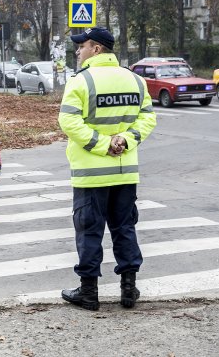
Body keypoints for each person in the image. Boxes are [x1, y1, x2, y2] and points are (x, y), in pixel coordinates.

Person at [58, 27, 157, 311]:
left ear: (97, 49)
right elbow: (148, 118)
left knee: (89, 230)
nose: (78, 52)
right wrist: (124, 141)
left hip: (91, 174)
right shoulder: (136, 80)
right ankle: (129, 289)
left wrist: (102, 145)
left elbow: (69, 122)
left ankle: (88, 292)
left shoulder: (81, 82)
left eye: (82, 46)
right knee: (125, 227)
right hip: (125, 173)